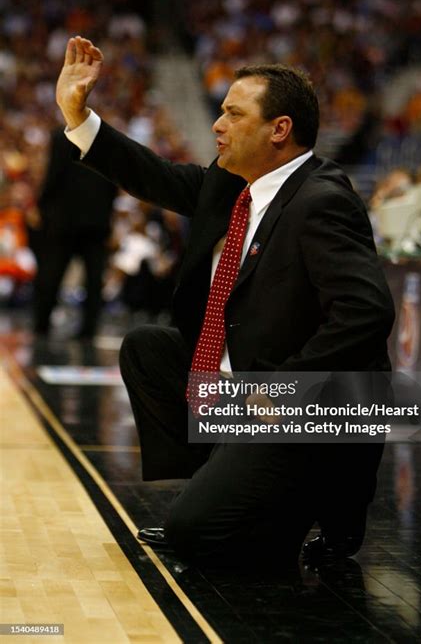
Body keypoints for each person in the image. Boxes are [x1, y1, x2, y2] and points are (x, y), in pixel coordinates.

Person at [55, 35, 395, 568]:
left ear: (279, 129)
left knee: (195, 535)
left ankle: (310, 506)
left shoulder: (323, 202)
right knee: (150, 347)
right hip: (246, 397)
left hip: (310, 407)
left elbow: (368, 313)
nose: (217, 124)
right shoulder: (232, 183)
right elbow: (156, 176)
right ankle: (220, 476)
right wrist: (79, 115)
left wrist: (282, 390)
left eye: (234, 114)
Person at [32, 127, 116, 339]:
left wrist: (42, 205)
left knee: (51, 275)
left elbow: (54, 174)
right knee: (93, 280)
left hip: (64, 220)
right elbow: (114, 181)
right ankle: (89, 330)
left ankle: (42, 326)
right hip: (97, 221)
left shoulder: (61, 137)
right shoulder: (106, 136)